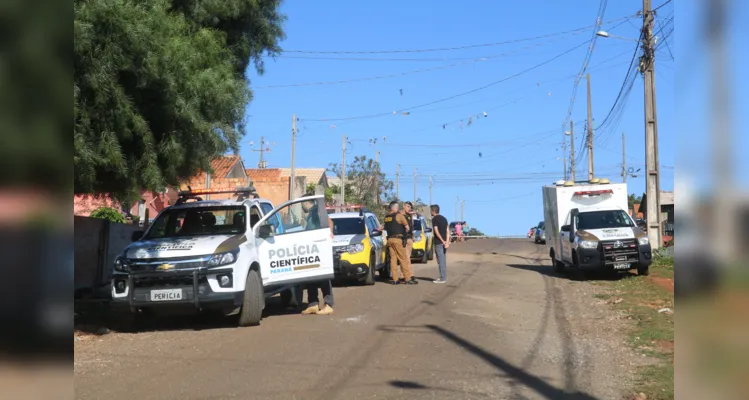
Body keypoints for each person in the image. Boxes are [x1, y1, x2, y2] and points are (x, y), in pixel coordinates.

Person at [300, 192, 335, 315]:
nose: (301, 206)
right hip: (312, 250)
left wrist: (329, 235)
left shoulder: (317, 211)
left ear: (306, 203)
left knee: (323, 276)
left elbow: (330, 221)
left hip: (320, 249)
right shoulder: (311, 214)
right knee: (311, 277)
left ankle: (328, 304)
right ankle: (313, 304)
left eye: (301, 204)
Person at [383, 201, 417, 285]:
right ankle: (407, 278)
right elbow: (407, 227)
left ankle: (395, 279)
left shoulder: (386, 217)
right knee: (403, 259)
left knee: (393, 260)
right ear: (396, 208)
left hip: (390, 240)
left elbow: (384, 227)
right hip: (398, 239)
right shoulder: (399, 216)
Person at [430, 204, 450, 283]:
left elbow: (436, 230)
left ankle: (443, 278)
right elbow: (447, 231)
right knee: (442, 260)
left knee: (440, 260)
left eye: (431, 211)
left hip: (439, 242)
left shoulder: (434, 219)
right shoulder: (444, 219)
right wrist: (447, 241)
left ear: (434, 211)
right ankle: (443, 276)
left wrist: (442, 241)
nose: (430, 212)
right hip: (445, 242)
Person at [402, 201, 416, 279]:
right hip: (404, 238)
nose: (409, 208)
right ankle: (409, 274)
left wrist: (413, 237)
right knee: (405, 257)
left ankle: (406, 274)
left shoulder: (410, 216)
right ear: (404, 206)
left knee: (407, 257)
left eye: (410, 207)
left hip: (409, 238)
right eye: (408, 206)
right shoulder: (401, 215)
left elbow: (412, 227)